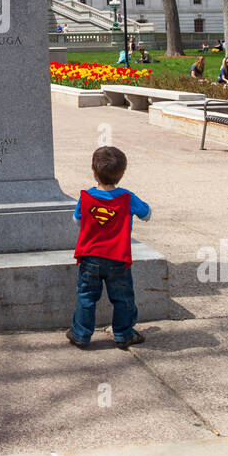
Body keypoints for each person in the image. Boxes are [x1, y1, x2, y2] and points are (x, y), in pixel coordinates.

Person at [65, 145, 152, 350]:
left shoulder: (86, 197)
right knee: (122, 298)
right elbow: (147, 214)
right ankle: (123, 333)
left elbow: (77, 221)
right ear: (122, 174)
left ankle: (81, 333)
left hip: (90, 257)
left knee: (86, 296)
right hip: (117, 258)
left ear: (94, 173)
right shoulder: (127, 197)